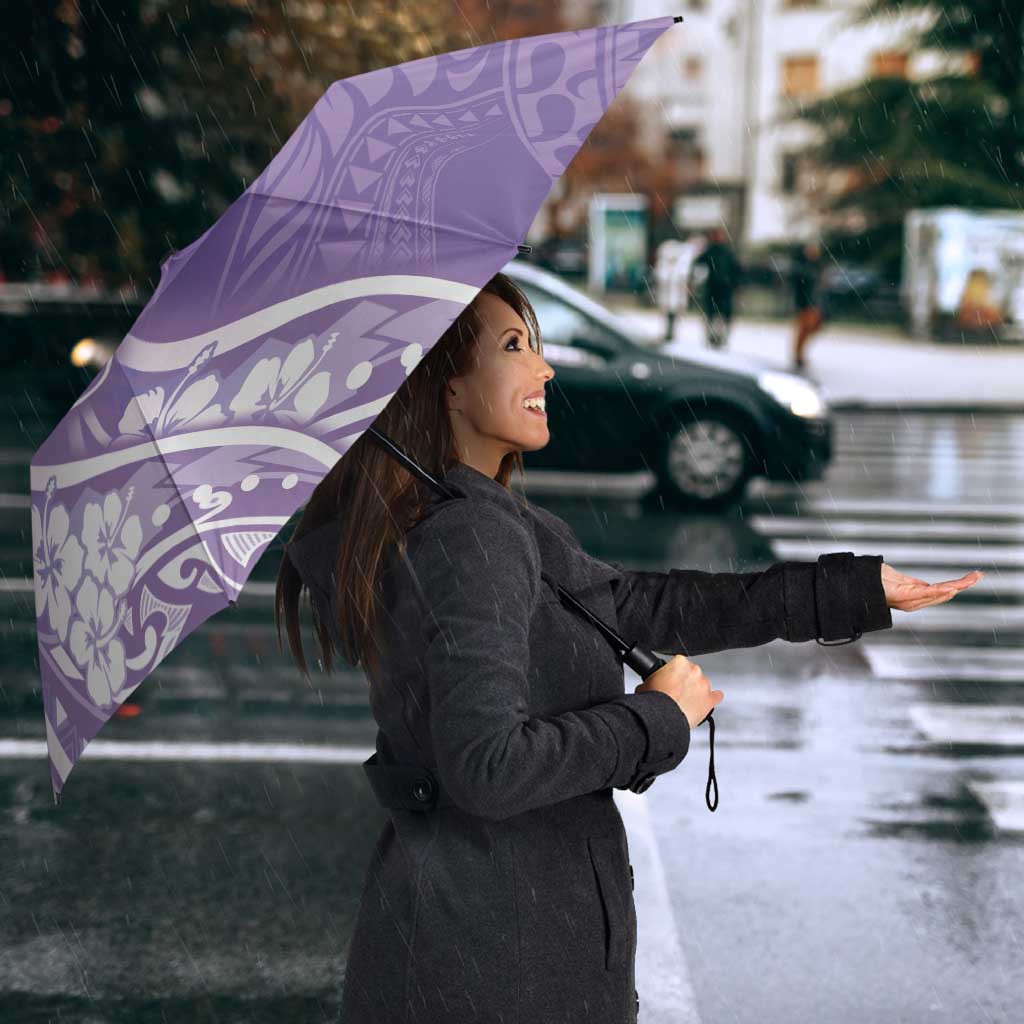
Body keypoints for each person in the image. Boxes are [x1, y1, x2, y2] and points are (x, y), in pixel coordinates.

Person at [276, 272, 980, 1024]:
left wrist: (849, 590)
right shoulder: (469, 537)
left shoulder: (481, 519)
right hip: (496, 963)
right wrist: (655, 718)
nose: (544, 368)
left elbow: (642, 605)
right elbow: (487, 768)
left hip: (484, 943)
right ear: (445, 387)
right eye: (514, 346)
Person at [692, 226, 742, 349]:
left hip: (723, 288)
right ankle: (713, 337)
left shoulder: (725, 252)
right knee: (713, 314)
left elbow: (736, 270)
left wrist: (735, 284)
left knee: (720, 315)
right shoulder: (712, 251)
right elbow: (698, 264)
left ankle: (719, 337)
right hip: (715, 288)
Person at [790, 239, 826, 370]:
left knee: (812, 328)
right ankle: (798, 355)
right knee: (804, 329)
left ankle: (799, 354)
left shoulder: (817, 266)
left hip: (814, 303)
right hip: (805, 303)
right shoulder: (802, 267)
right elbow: (799, 286)